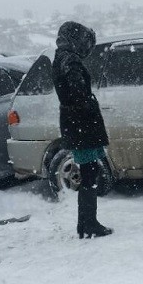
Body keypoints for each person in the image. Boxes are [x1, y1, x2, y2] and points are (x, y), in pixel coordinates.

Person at [52, 21, 113, 238]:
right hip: (82, 125)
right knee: (89, 173)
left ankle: (86, 223)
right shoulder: (70, 60)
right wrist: (88, 106)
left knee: (90, 171)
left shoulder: (62, 57)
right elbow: (77, 92)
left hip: (76, 123)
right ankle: (89, 224)